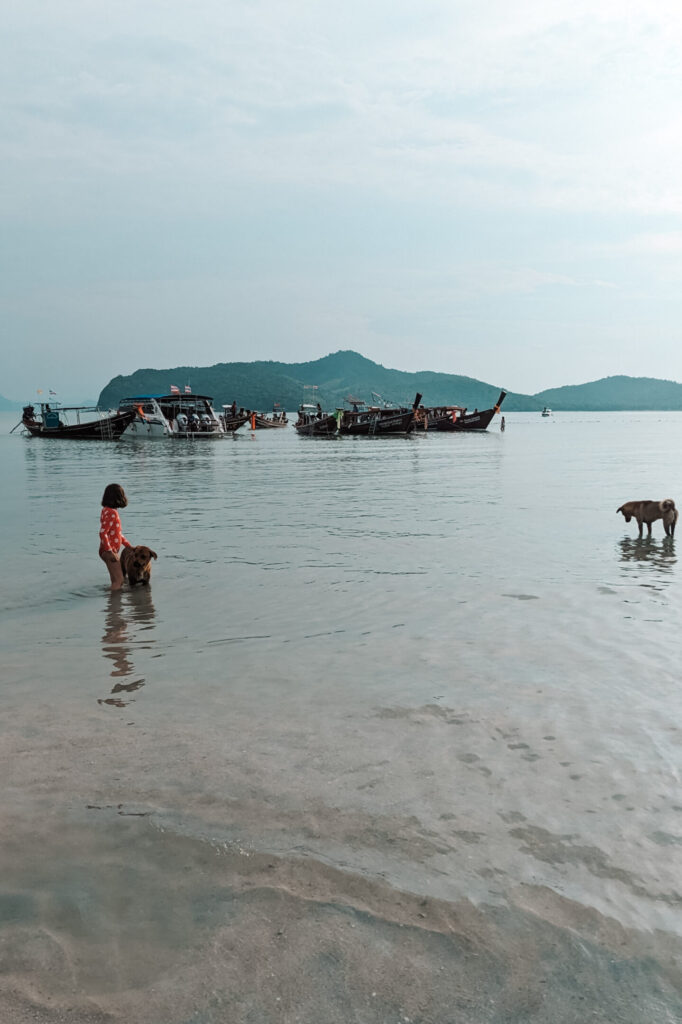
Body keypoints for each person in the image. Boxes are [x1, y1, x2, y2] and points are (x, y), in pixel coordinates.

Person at [99, 483, 131, 591]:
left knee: (114, 580)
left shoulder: (106, 510)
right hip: (109, 552)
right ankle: (114, 605)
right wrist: (109, 551)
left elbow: (117, 534)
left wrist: (129, 546)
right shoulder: (112, 513)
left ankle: (111, 602)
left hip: (108, 550)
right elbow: (103, 533)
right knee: (119, 580)